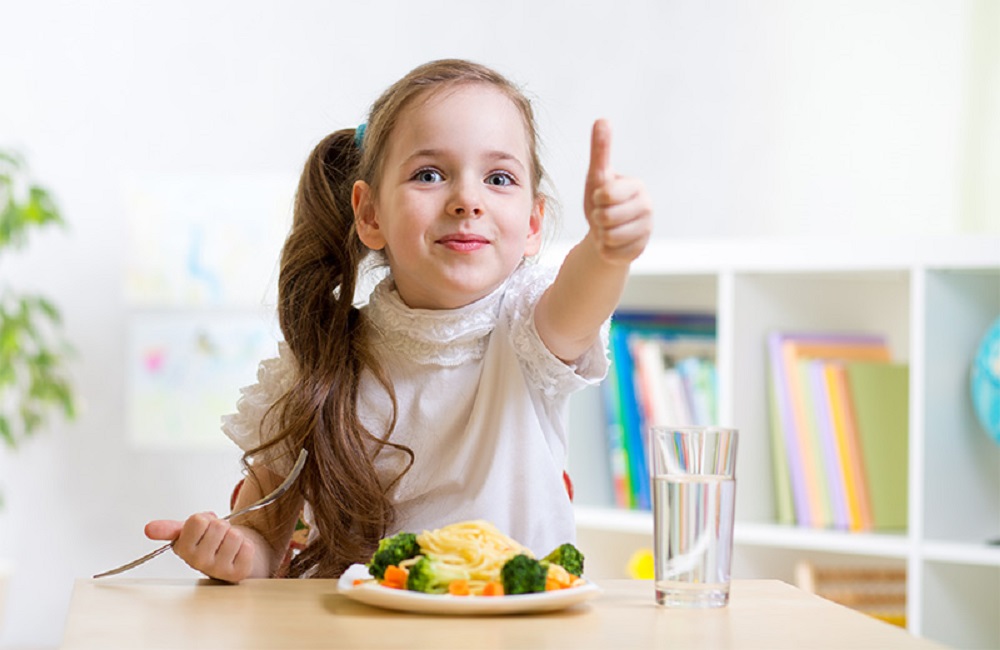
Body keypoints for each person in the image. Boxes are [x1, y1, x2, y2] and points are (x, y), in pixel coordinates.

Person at [144, 59, 652, 582]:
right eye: (429, 175)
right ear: (369, 214)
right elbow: (262, 543)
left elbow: (580, 301)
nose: (467, 201)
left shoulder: (530, 330)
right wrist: (231, 551)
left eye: (498, 178)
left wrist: (608, 250)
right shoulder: (320, 358)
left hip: (511, 632)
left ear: (532, 224)